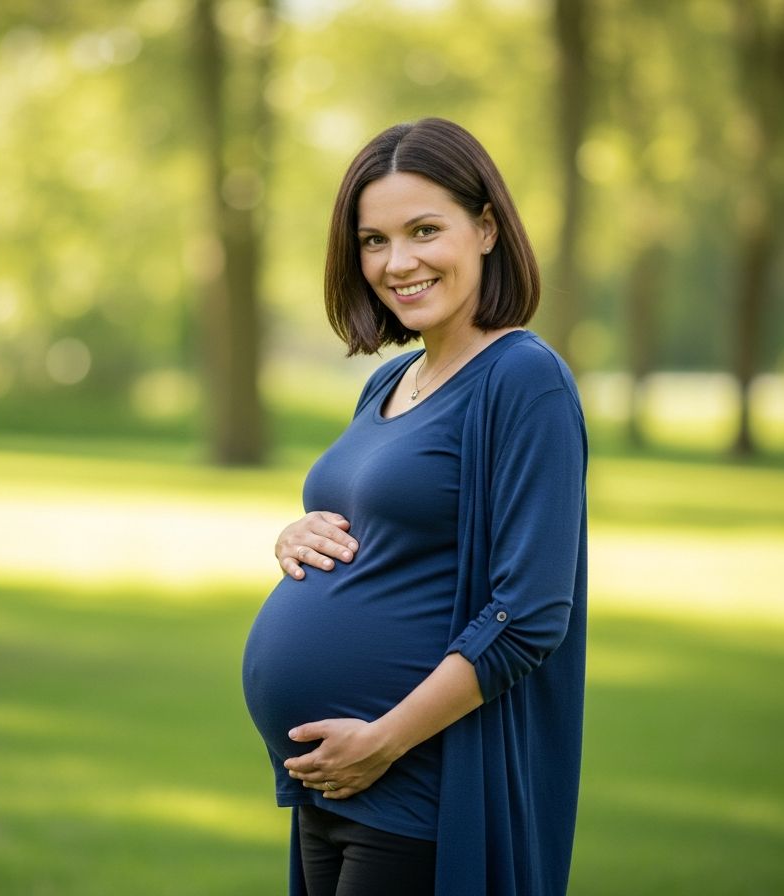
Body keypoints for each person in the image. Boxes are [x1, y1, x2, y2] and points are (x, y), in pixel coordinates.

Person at [241, 117, 588, 896]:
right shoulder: (388, 382)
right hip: (335, 781)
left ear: (488, 228)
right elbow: (395, 526)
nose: (398, 263)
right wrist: (299, 535)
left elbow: (530, 612)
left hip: (422, 784)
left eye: (424, 230)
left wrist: (384, 740)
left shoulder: (523, 379)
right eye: (373, 241)